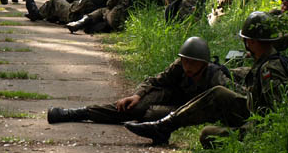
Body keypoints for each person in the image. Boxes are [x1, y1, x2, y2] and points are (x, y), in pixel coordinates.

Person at [124, 11, 288, 148]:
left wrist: (246, 130)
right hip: (253, 115)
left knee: (208, 134)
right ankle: (163, 126)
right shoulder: (264, 63)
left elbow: (275, 116)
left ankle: (163, 126)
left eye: (246, 41)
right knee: (218, 95)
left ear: (252, 42)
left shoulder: (269, 69)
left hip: (259, 128)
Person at [47, 37, 229, 124]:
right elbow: (154, 81)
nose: (187, 66)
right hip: (172, 96)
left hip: (192, 107)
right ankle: (77, 113)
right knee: (133, 107)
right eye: (185, 61)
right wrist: (137, 95)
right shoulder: (179, 66)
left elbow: (229, 103)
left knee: (152, 115)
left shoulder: (216, 77)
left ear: (203, 64)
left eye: (192, 63)